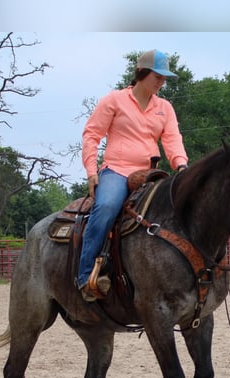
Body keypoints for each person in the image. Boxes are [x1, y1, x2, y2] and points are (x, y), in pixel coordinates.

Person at [77, 49, 189, 302]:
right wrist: (92, 172)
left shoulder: (165, 108)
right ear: (142, 73)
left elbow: (172, 139)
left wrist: (181, 165)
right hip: (117, 169)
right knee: (106, 206)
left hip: (151, 172)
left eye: (164, 78)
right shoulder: (114, 100)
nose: (162, 82)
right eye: (157, 76)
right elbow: (92, 135)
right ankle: (86, 276)